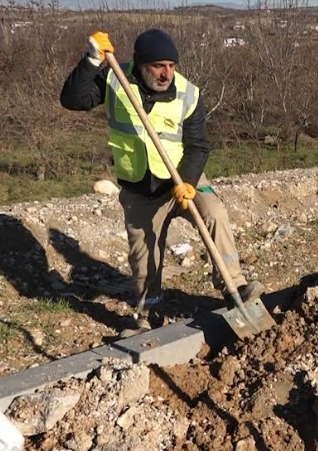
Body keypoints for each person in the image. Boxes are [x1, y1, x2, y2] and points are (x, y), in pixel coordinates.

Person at [60, 30, 264, 337]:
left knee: (214, 213)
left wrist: (190, 182)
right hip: (140, 189)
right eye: (159, 66)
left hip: (182, 178)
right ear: (141, 64)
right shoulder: (114, 77)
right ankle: (149, 315)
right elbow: (72, 100)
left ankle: (234, 287)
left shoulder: (188, 93)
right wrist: (91, 61)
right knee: (144, 255)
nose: (167, 73)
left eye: (171, 65)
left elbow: (198, 146)